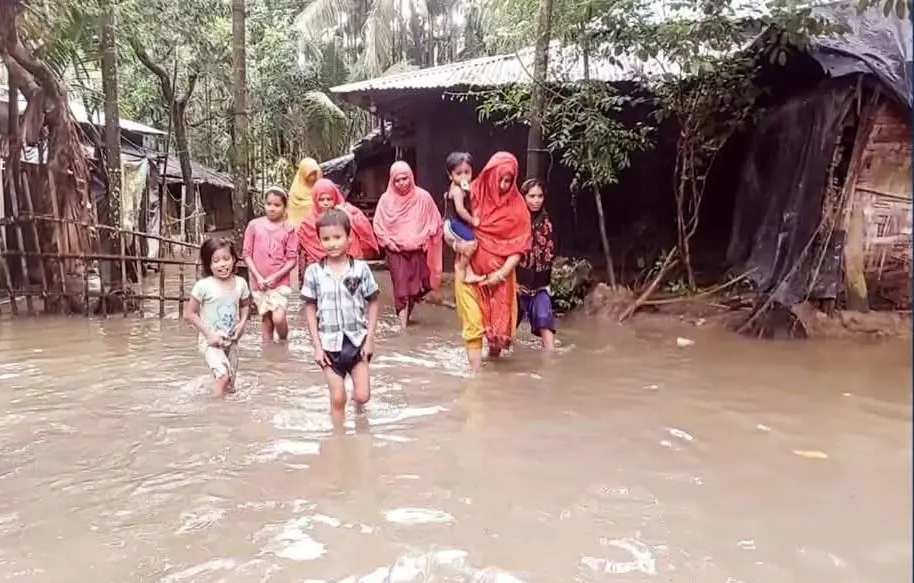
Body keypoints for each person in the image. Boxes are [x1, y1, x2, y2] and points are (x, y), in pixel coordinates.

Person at [448, 152, 531, 372]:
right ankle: (477, 378)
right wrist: (457, 246)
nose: (504, 185)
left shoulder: (518, 207)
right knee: (474, 325)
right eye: (500, 179)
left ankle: (493, 375)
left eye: (509, 180)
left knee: (497, 333)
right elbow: (446, 226)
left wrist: (501, 273)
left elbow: (519, 246)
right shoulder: (471, 192)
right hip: (468, 273)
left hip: (500, 280)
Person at [302, 209, 381, 421]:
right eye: (326, 239)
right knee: (338, 398)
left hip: (357, 341)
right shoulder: (314, 273)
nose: (332, 243)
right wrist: (317, 347)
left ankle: (359, 422)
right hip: (328, 345)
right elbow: (309, 307)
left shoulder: (361, 270)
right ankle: (338, 442)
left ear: (349, 237)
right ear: (319, 240)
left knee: (362, 396)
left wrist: (370, 339)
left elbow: (373, 300)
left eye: (337, 237)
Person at [372, 161, 443, 329]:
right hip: (395, 250)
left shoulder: (423, 197)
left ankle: (406, 317)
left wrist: (425, 235)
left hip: (418, 250)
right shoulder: (385, 200)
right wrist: (389, 242)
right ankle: (403, 329)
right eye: (397, 180)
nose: (402, 183)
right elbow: (378, 225)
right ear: (391, 181)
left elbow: (435, 221)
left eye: (405, 178)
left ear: (411, 177)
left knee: (418, 287)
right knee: (401, 287)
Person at [184, 237, 251, 397]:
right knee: (222, 376)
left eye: (226, 259)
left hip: (231, 340)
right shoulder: (203, 286)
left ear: (234, 259)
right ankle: (214, 413)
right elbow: (189, 314)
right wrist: (209, 335)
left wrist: (242, 323)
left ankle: (227, 416)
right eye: (216, 261)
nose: (222, 264)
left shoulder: (241, 283)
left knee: (231, 384)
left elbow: (245, 306)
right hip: (210, 342)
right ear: (209, 264)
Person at [242, 187, 298, 343]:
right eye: (269, 204)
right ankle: (269, 359)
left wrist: (275, 276)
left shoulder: (290, 230)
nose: (272, 208)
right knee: (267, 321)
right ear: (264, 204)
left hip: (280, 283)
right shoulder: (254, 226)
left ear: (284, 207)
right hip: (258, 283)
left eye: (277, 205)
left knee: (278, 318)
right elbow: (246, 254)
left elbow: (292, 260)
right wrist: (258, 277)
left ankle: (284, 340)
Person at [298, 178, 379, 270]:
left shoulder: (348, 211)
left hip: (349, 265)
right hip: (322, 271)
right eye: (321, 200)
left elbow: (361, 232)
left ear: (335, 197)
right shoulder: (308, 222)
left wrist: (349, 217)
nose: (325, 203)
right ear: (315, 200)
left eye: (329, 199)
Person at [517, 178, 556, 350]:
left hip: (540, 285)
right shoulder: (515, 221)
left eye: (540, 196)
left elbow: (548, 256)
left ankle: (550, 365)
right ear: (523, 197)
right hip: (516, 285)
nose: (536, 200)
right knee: (504, 330)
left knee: (546, 322)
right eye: (532, 196)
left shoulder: (546, 224)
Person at [443, 152, 485, 284]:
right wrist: (473, 220)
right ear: (450, 175)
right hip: (452, 224)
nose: (464, 177)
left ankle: (468, 271)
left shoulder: (462, 186)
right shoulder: (457, 190)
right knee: (471, 242)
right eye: (459, 173)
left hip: (455, 223)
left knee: (469, 242)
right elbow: (460, 210)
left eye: (467, 172)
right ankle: (462, 269)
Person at [287, 157, 322, 227]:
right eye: (310, 174)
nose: (314, 177)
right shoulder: (295, 192)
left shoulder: (321, 188)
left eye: (315, 173)